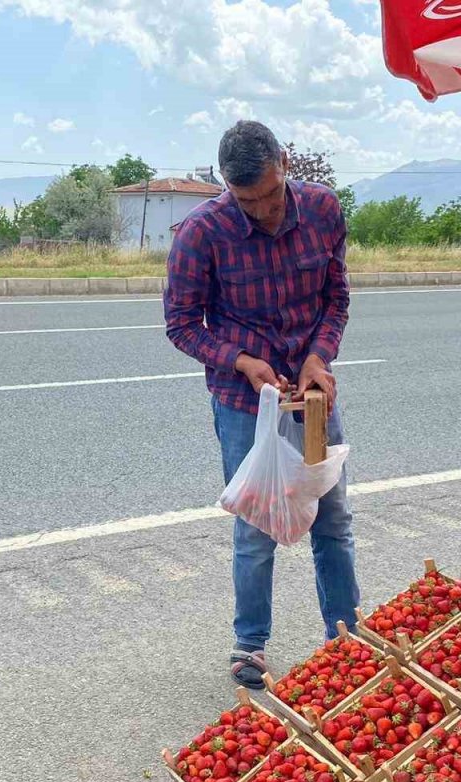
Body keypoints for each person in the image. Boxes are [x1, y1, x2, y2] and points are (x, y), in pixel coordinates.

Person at [164, 120, 360, 689]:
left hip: (311, 394)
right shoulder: (201, 232)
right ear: (227, 186)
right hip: (244, 401)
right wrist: (240, 361)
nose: (264, 211)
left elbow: (336, 298)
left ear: (285, 166)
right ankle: (250, 644)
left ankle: (347, 638)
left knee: (333, 517)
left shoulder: (322, 210)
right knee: (255, 526)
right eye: (247, 201)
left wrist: (319, 356)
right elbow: (181, 324)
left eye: (271, 195)